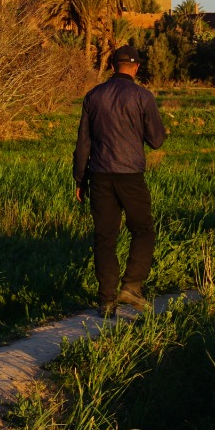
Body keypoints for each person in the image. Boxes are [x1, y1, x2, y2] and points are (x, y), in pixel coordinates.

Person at [74, 44, 167, 315]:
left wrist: (80, 179)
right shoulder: (142, 97)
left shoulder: (93, 96)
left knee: (105, 237)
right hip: (131, 177)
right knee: (143, 229)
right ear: (136, 67)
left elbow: (83, 143)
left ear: (112, 66)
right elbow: (156, 141)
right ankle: (132, 285)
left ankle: (106, 300)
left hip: (99, 176)